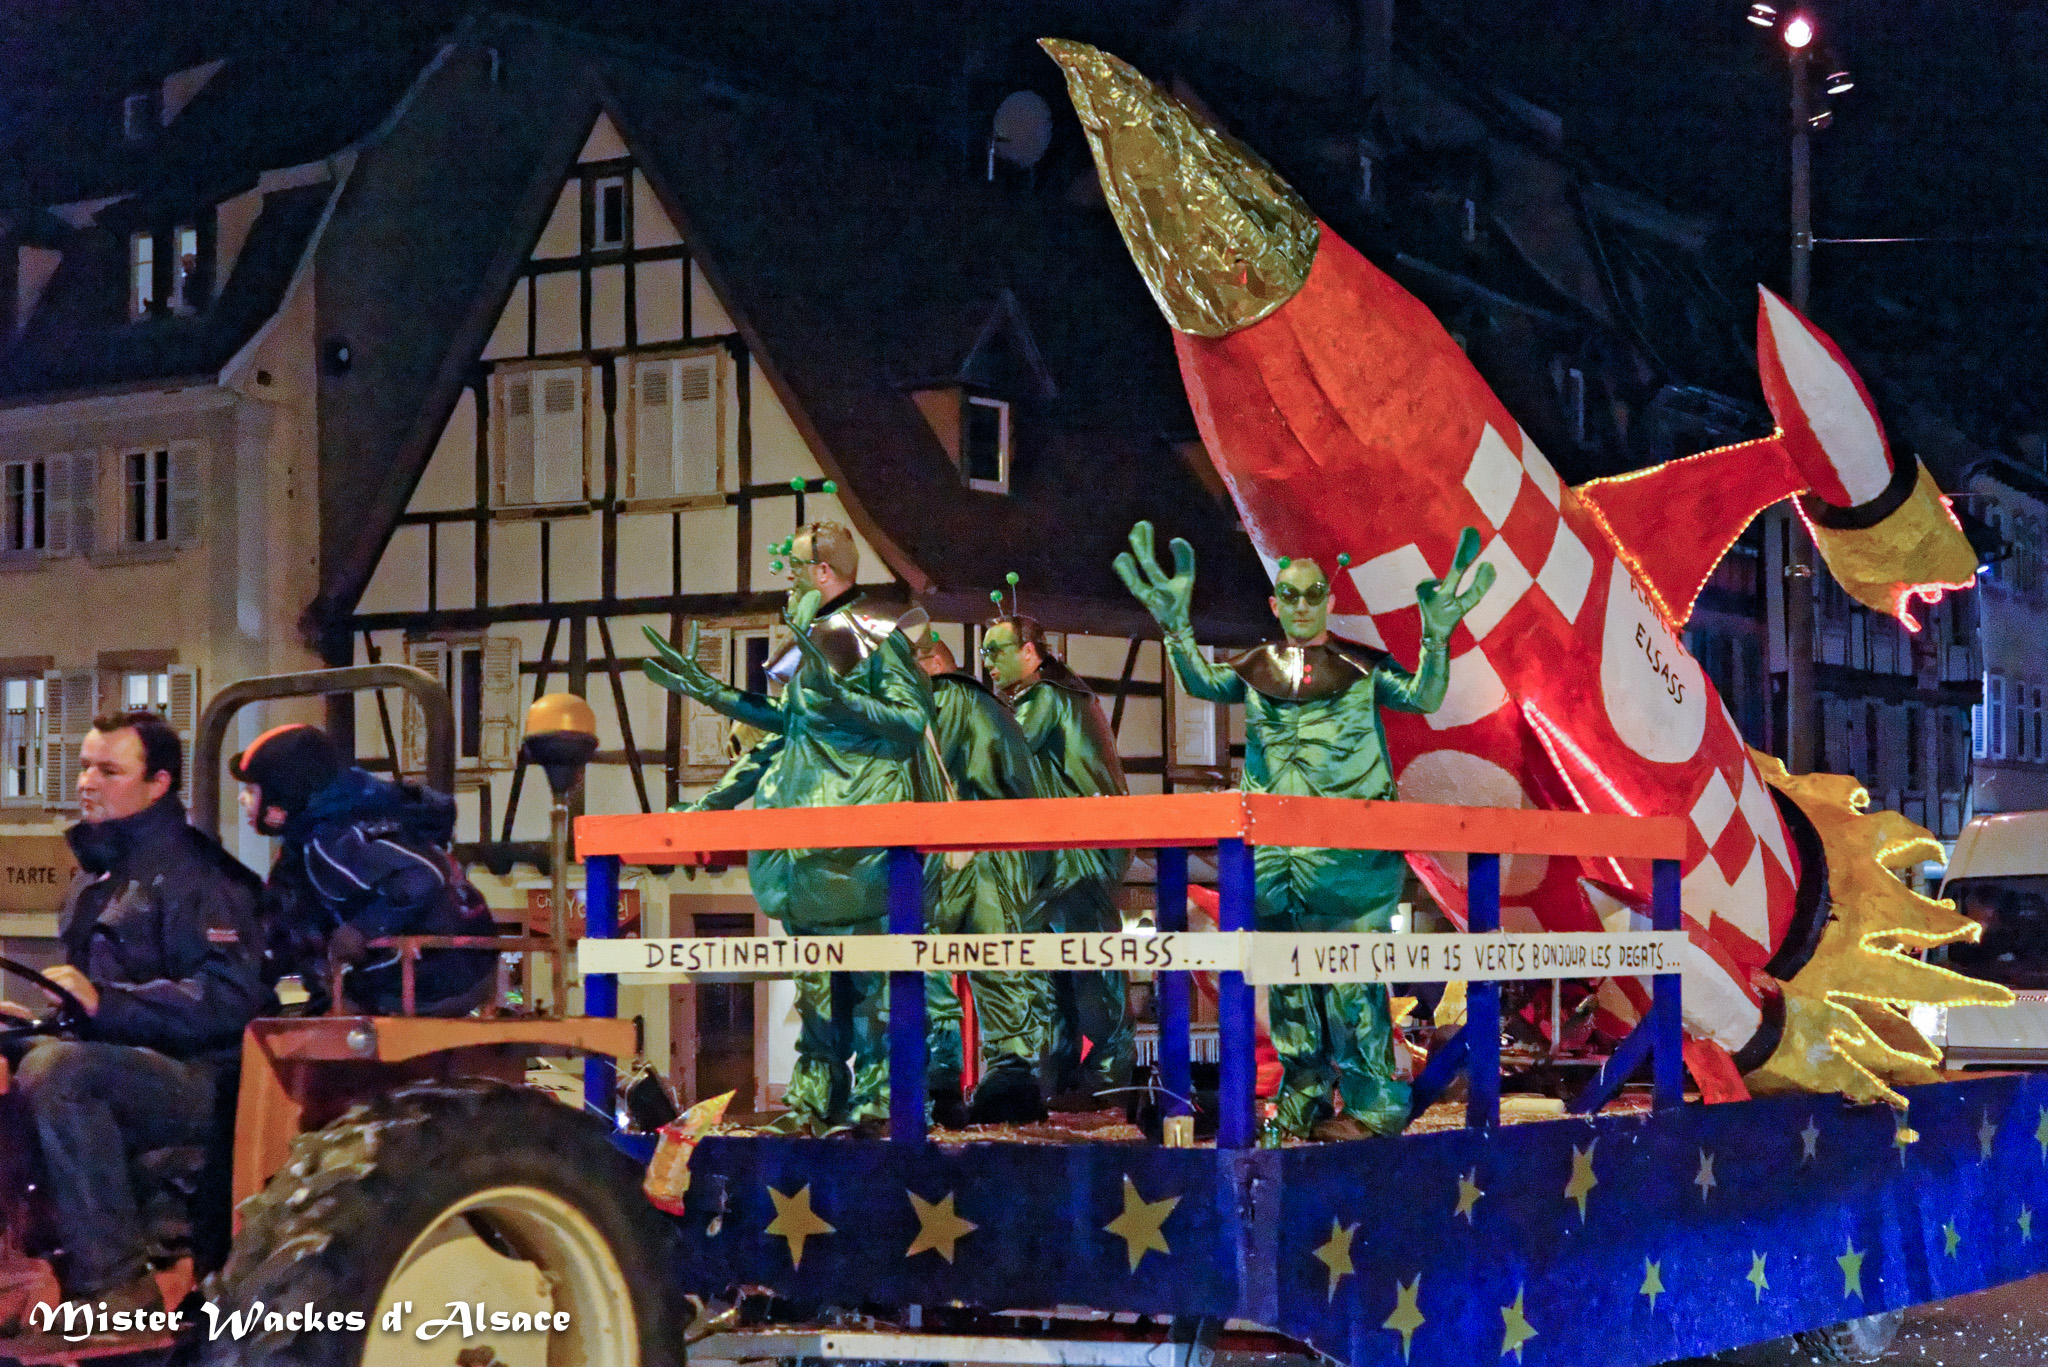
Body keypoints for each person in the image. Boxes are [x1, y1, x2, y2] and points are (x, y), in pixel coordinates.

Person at [1117, 522, 1494, 1139]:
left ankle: (1375, 1107)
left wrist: (1437, 635)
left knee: (1351, 986)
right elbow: (1201, 683)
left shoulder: (1360, 668)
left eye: (1312, 593)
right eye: (1289, 595)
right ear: (1274, 602)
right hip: (1274, 863)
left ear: (1329, 598)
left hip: (1349, 864)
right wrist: (1176, 628)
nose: (1299, 605)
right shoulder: (1257, 667)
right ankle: (1305, 1097)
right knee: (1290, 989)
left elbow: (1424, 697)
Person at [645, 522, 938, 1134]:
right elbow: (783, 729)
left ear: (826, 572)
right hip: (801, 841)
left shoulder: (880, 633)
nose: (789, 576)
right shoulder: (804, 643)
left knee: (877, 988)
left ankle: (881, 1104)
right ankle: (812, 1102)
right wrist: (711, 693)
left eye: (797, 566)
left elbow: (912, 721)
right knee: (815, 988)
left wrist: (841, 702)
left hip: (862, 835)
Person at [4, 710, 267, 1314]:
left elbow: (228, 999)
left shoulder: (203, 877)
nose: (86, 782)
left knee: (61, 1073)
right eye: (84, 766)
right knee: (18, 1049)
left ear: (158, 784)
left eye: (109, 770)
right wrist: (39, 1016)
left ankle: (116, 1286)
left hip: (200, 1078)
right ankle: (21, 1254)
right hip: (123, 1059)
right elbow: (89, 1005)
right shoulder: (99, 873)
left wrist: (105, 1003)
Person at [231, 724, 497, 1015]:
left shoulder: (331, 842)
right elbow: (286, 918)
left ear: (282, 796)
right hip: (466, 965)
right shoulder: (335, 827)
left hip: (430, 978)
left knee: (312, 1037)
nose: (241, 799)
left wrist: (361, 930)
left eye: (251, 790)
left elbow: (424, 875)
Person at [981, 614, 1133, 1108]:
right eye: (984, 652)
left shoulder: (1044, 699)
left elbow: (997, 756)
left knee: (1087, 966)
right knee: (1057, 970)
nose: (988, 662)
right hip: (1062, 860)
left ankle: (1107, 1072)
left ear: (1031, 652)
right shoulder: (1056, 697)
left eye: (997, 650)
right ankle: (1063, 1074)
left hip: (1079, 857)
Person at [912, 633, 1057, 1124]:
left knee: (924, 961)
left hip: (938, 857)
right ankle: (1012, 1075)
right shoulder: (989, 706)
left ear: (928, 662)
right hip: (999, 857)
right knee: (997, 962)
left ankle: (940, 1077)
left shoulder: (935, 701)